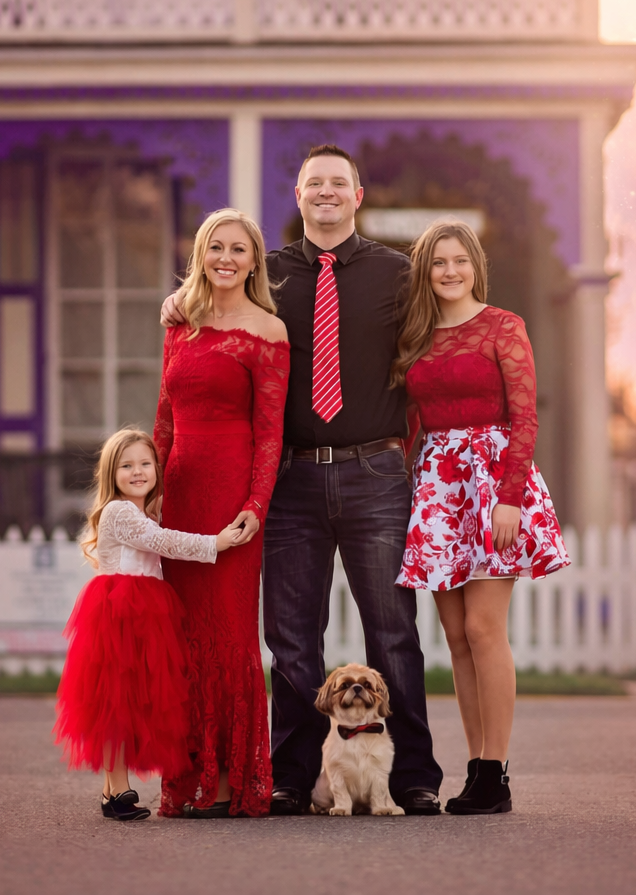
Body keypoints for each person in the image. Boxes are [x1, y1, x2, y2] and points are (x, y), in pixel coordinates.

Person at [162, 145, 444, 816]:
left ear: (357, 195)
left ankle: (409, 778)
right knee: (291, 635)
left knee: (393, 631)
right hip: (289, 478)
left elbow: (429, 361)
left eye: (337, 184)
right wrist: (180, 301)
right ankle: (288, 775)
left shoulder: (398, 275)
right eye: (314, 183)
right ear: (297, 195)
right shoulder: (271, 278)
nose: (326, 193)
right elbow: (215, 309)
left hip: (375, 472)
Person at [392, 220, 570, 815]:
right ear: (426, 271)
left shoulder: (502, 326)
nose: (449, 271)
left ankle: (497, 771)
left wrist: (511, 496)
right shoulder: (413, 337)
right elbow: (411, 422)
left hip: (493, 483)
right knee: (457, 639)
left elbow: (526, 417)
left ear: (475, 266)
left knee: (485, 629)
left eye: (459, 261)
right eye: (438, 262)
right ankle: (476, 770)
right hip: (438, 487)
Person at [154, 208, 290, 818]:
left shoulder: (269, 332)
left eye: (239, 249)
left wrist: (255, 508)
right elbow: (163, 414)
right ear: (201, 255)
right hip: (178, 492)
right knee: (183, 635)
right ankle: (187, 781)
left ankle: (233, 781)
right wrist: (147, 491)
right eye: (216, 247)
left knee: (231, 633)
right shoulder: (179, 323)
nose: (226, 258)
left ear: (255, 260)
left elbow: (270, 434)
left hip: (232, 495)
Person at [54, 428, 251, 821]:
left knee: (132, 701)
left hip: (146, 613)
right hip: (120, 614)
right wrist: (217, 543)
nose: (138, 472)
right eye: (127, 466)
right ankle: (118, 785)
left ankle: (112, 791)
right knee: (117, 701)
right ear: (112, 473)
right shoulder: (119, 512)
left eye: (145, 464)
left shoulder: (143, 510)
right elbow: (163, 542)